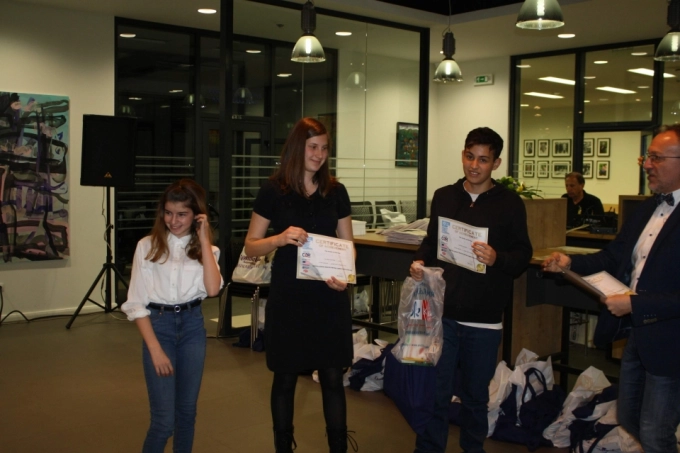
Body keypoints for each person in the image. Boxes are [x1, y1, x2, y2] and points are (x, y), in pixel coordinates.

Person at [542, 124, 680, 453]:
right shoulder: (646, 209)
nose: (647, 164)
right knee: (629, 417)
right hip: (637, 337)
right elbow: (613, 256)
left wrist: (636, 304)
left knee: (655, 431)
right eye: (647, 157)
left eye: (657, 158)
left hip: (671, 342)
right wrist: (570, 262)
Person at [409, 127, 533, 453]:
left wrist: (497, 258)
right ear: (462, 155)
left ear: (496, 163)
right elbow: (431, 242)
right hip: (444, 314)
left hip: (484, 320)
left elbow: (523, 255)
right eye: (469, 156)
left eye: (483, 159)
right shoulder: (444, 196)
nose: (474, 165)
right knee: (436, 393)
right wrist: (419, 261)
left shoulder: (509, 204)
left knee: (476, 397)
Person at [244, 117, 355, 453]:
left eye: (324, 148)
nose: (319, 154)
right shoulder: (273, 190)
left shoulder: (336, 191)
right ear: (297, 147)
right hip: (289, 299)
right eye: (312, 147)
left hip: (329, 298)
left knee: (333, 377)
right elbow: (251, 246)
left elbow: (348, 244)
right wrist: (279, 238)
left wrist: (346, 275)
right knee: (285, 377)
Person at [121, 179, 223, 453]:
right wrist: (155, 349)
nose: (173, 221)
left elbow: (213, 290)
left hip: (192, 327)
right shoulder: (147, 246)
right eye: (168, 213)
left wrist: (204, 239)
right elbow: (136, 302)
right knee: (164, 421)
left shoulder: (209, 251)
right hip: (159, 326)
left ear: (197, 216)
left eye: (182, 214)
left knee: (187, 414)